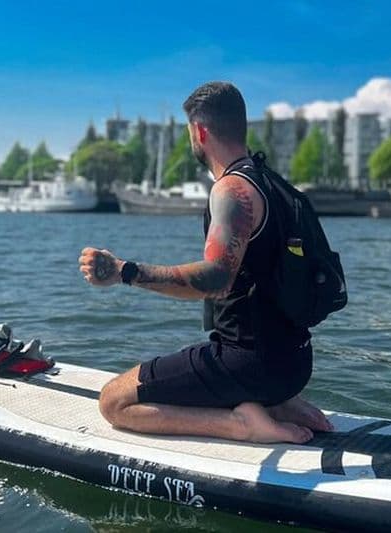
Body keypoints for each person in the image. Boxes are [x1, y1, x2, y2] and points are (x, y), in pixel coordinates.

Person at [78, 81, 332, 444]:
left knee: (114, 402)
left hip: (248, 364)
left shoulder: (232, 190)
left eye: (189, 134)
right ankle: (276, 404)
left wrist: (124, 271)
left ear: (200, 130)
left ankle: (241, 424)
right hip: (296, 363)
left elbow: (216, 278)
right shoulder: (275, 185)